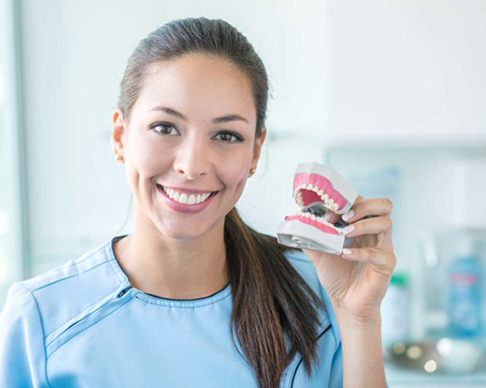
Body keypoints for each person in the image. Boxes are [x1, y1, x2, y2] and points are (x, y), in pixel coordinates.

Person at [0, 17, 395, 388]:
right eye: (165, 128)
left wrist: (359, 318)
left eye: (226, 136)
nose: (191, 166)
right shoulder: (42, 317)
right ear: (120, 136)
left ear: (255, 151)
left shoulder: (318, 292)